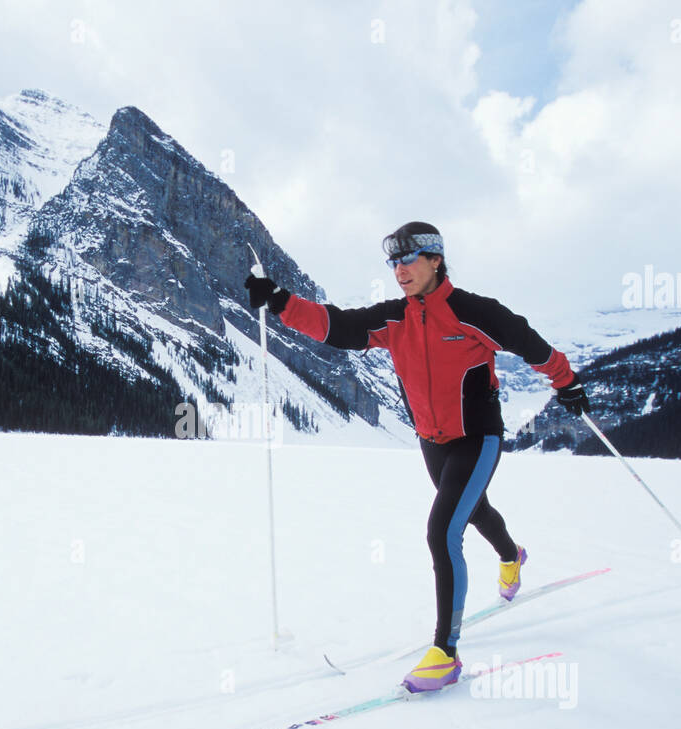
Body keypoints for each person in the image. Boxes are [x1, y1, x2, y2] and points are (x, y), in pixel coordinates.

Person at [244, 221, 590, 693]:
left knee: (442, 530)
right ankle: (513, 555)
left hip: (477, 437)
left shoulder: (473, 312)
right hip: (432, 441)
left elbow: (528, 341)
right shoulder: (394, 319)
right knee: (473, 511)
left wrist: (565, 382)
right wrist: (282, 301)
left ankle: (445, 653)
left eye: (409, 260)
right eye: (393, 263)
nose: (400, 271)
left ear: (435, 260)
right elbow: (338, 326)